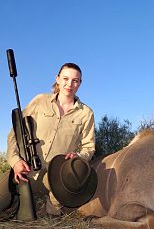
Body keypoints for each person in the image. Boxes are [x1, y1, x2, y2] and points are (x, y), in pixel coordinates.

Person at [0, 62, 95, 216]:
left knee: (68, 181)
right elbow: (14, 133)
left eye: (75, 80)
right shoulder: (40, 100)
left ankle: (51, 210)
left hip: (55, 178)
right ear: (57, 79)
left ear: (80, 84)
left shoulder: (86, 113)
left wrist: (79, 157)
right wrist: (15, 161)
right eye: (65, 78)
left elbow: (89, 147)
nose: (69, 84)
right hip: (25, 170)